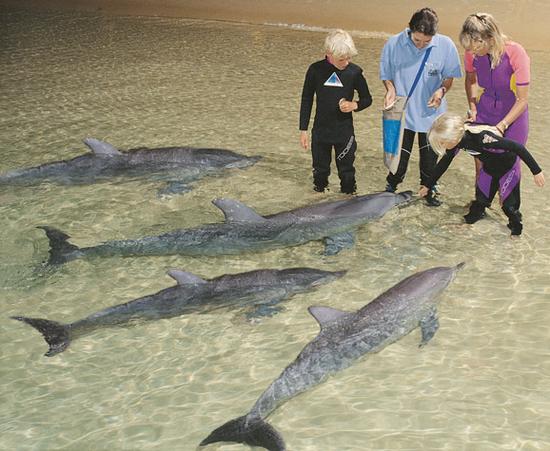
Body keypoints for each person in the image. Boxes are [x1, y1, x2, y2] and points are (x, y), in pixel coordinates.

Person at [380, 7, 462, 206]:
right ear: (410, 30)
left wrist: (441, 91)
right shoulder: (393, 44)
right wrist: (390, 89)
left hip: (431, 116)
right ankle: (390, 189)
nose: (421, 45)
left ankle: (428, 189)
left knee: (429, 165)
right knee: (397, 163)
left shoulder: (446, 45)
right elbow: (386, 76)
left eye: (427, 42)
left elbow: (449, 78)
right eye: (417, 40)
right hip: (402, 115)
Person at [419, 113, 545, 236]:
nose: (442, 146)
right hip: (489, 170)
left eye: (442, 142)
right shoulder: (457, 141)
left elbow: (518, 147)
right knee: (480, 202)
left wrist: (536, 171)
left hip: (507, 170)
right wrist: (428, 185)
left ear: (453, 137)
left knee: (509, 208)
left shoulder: (482, 138)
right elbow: (443, 164)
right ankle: (468, 224)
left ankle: (516, 233)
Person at [459, 13, 530, 184]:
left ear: (490, 38)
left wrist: (502, 126)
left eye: (476, 46)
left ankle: (507, 207)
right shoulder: (472, 52)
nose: (471, 52)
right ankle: (480, 206)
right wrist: (473, 107)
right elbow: (470, 79)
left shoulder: (515, 52)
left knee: (509, 167)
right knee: (480, 165)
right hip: (485, 109)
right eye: (468, 47)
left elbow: (522, 100)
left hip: (513, 113)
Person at [299, 29, 372, 194]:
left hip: (344, 133)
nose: (346, 62)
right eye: (341, 59)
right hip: (320, 133)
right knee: (320, 173)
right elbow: (306, 100)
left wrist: (354, 105)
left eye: (349, 58)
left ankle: (349, 202)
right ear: (329, 53)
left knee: (347, 174)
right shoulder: (315, 70)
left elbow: (367, 99)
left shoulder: (354, 72)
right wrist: (303, 130)